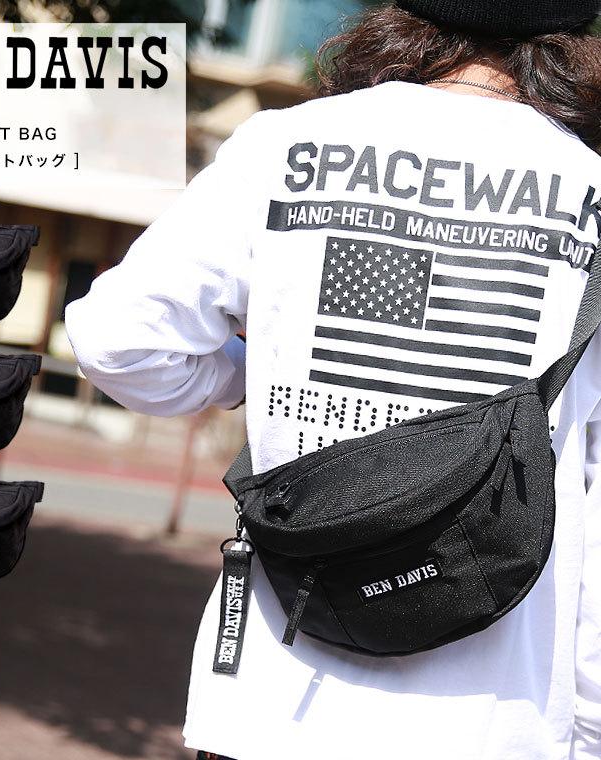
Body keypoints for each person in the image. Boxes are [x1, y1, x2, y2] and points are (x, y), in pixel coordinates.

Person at [64, 1, 601, 758]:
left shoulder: (283, 145)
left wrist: (245, 378)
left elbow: (118, 340)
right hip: (494, 721)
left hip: (271, 703)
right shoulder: (590, 193)